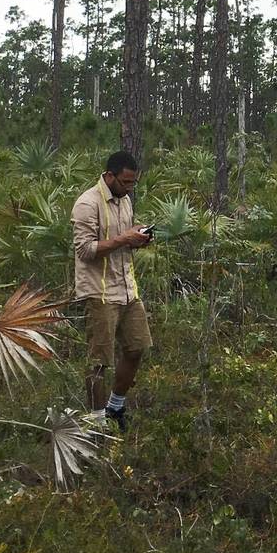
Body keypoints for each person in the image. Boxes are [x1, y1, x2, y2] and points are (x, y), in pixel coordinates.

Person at [71, 150, 153, 430]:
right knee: (99, 360)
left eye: (132, 184)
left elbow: (123, 236)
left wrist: (137, 237)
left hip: (128, 289)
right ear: (109, 176)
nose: (129, 188)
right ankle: (96, 422)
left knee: (137, 346)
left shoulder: (125, 200)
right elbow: (85, 250)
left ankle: (114, 408)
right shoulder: (87, 203)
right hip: (100, 292)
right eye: (125, 182)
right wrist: (123, 239)